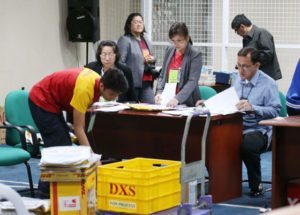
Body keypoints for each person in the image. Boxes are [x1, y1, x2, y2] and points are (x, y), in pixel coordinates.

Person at [29, 68, 128, 198]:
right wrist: (92, 158)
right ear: (102, 86)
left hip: (54, 102)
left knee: (64, 145)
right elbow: (78, 128)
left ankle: (55, 190)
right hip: (41, 100)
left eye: (116, 95)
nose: (113, 98)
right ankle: (43, 194)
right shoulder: (85, 90)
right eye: (112, 94)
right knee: (59, 149)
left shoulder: (97, 81)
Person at [233, 47, 281, 197]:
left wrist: (253, 108)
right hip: (235, 126)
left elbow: (275, 111)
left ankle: (256, 185)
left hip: (260, 129)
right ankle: (225, 184)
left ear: (257, 65)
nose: (241, 70)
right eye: (239, 66)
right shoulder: (237, 79)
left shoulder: (268, 84)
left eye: (245, 66)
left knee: (248, 145)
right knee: (216, 140)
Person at [155, 22, 202, 107]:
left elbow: (192, 81)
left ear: (187, 38)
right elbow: (162, 75)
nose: (176, 44)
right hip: (167, 100)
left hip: (187, 101)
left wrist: (177, 98)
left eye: (179, 41)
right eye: (173, 41)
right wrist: (159, 93)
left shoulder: (195, 54)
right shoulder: (169, 50)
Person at [117, 12, 156, 104]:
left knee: (151, 107)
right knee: (130, 111)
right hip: (131, 83)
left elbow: (149, 58)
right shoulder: (125, 40)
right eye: (135, 22)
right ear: (129, 25)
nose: (139, 24)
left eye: (141, 22)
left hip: (147, 81)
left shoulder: (146, 40)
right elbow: (119, 63)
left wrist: (153, 60)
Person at [231, 14, 282, 80]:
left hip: (266, 76)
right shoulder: (246, 39)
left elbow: (268, 53)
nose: (238, 34)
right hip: (255, 77)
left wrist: (250, 61)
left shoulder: (261, 33)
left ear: (242, 27)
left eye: (237, 31)